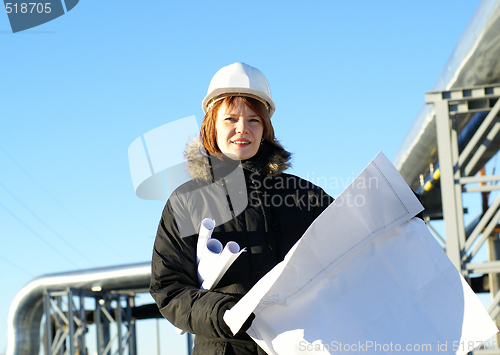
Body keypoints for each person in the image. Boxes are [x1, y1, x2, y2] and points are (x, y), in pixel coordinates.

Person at [150, 62, 333, 355]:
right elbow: (168, 288)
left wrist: (397, 210)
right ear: (212, 125)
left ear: (265, 129)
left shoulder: (304, 195)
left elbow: (355, 241)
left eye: (253, 120)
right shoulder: (186, 201)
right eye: (230, 119)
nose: (242, 129)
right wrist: (223, 313)